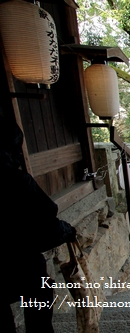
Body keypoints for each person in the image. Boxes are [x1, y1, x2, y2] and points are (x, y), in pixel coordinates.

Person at [0, 120, 77, 333]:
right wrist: (67, 231)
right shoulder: (16, 181)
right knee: (39, 296)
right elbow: (47, 229)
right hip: (20, 267)